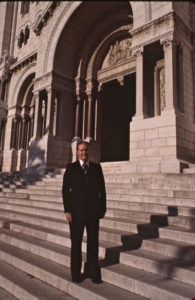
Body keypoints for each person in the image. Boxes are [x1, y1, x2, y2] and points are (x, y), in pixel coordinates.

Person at [62, 141, 106, 283]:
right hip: (76, 213)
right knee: (76, 244)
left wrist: (102, 208)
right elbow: (65, 191)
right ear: (77, 152)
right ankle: (76, 274)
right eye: (81, 150)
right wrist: (67, 210)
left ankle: (93, 273)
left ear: (89, 151)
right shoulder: (71, 168)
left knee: (93, 243)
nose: (84, 152)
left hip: (93, 213)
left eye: (86, 150)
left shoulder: (96, 168)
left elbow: (102, 190)